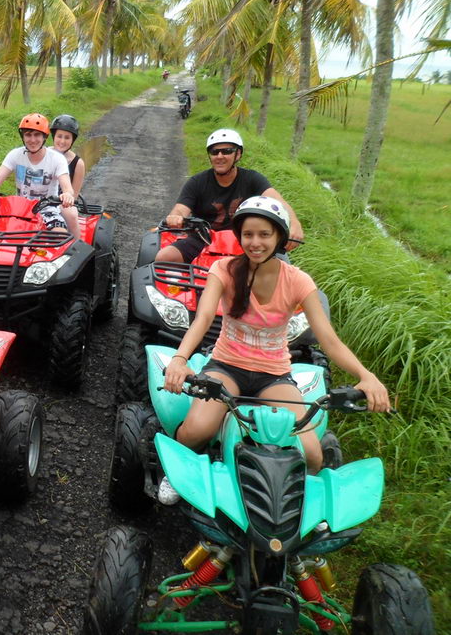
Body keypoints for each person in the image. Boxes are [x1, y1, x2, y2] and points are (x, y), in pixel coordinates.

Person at [159, 196, 390, 503]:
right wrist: (179, 358)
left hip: (273, 375)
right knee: (197, 430)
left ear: (279, 237)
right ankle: (176, 473)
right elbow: (202, 319)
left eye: (264, 234)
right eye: (248, 234)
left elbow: (329, 339)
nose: (255, 242)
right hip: (226, 367)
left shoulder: (298, 281)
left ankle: (298, 505)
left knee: (312, 454)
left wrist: (366, 376)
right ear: (239, 236)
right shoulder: (223, 269)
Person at [156, 128, 304, 264]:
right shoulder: (197, 182)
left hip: (243, 240)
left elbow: (277, 201)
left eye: (226, 151)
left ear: (238, 154)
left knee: (280, 267)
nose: (220, 156)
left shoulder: (252, 179)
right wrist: (175, 217)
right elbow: (181, 208)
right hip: (203, 237)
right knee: (165, 257)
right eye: (214, 152)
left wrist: (295, 223)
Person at [0, 113, 79, 237]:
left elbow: (67, 187)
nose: (32, 140)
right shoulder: (15, 155)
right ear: (23, 136)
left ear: (44, 137)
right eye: (28, 135)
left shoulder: (57, 159)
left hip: (47, 210)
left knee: (60, 235)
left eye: (37, 135)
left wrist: (67, 195)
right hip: (18, 209)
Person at [49, 114, 85, 198]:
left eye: (67, 138)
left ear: (73, 140)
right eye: (59, 136)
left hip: (63, 204)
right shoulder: (44, 154)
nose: (62, 141)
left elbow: (74, 196)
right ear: (54, 137)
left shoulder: (78, 164)